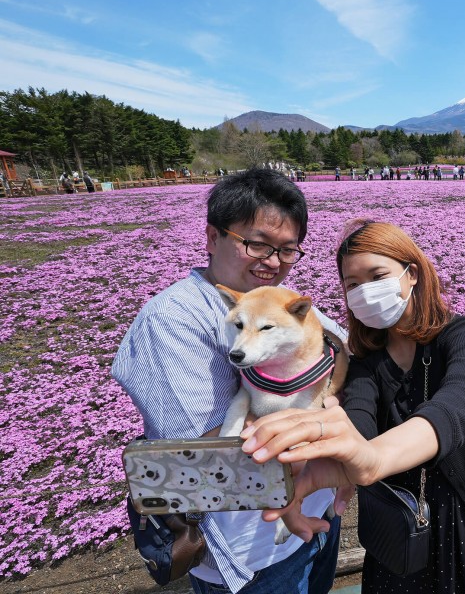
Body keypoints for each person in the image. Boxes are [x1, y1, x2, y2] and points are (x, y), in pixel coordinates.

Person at [241, 219, 465, 594]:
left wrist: (373, 459)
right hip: (399, 519)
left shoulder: (460, 336)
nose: (365, 292)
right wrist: (343, 454)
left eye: (378, 275)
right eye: (352, 285)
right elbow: (357, 416)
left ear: (412, 274)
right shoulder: (365, 361)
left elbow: (462, 402)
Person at [112, 169, 347, 594]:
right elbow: (208, 454)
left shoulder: (281, 301)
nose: (273, 261)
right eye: (256, 243)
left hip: (318, 516)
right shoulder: (174, 320)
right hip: (251, 558)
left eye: (287, 249)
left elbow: (343, 357)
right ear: (212, 237)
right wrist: (328, 421)